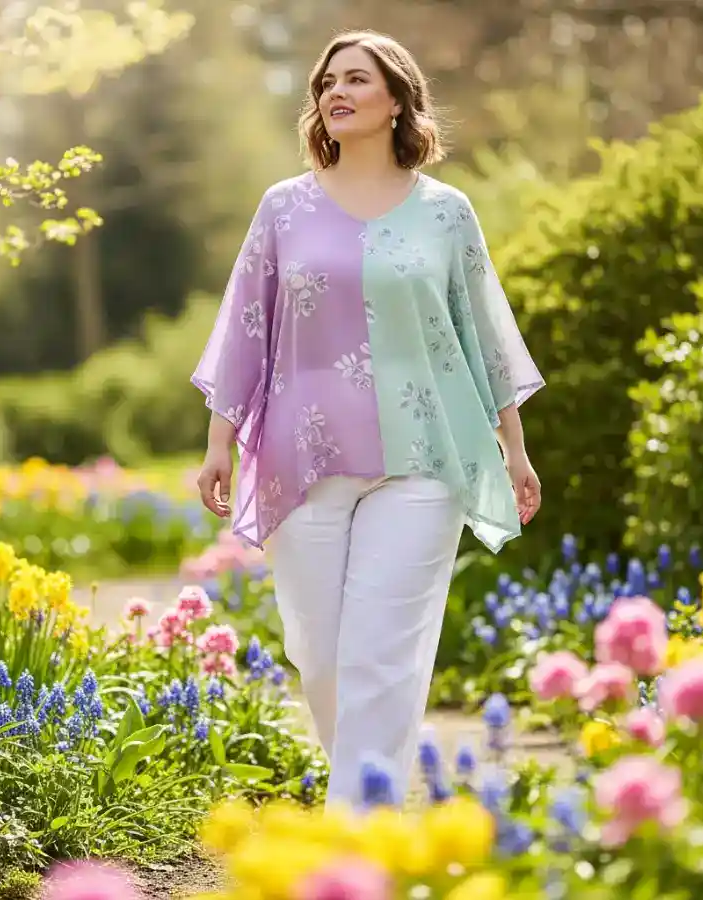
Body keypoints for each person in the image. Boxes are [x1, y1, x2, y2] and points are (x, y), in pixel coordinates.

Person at [193, 30, 544, 806]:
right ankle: (370, 794)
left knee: (380, 654)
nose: (335, 91)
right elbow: (246, 325)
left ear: (397, 100)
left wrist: (514, 450)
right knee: (318, 656)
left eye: (357, 78)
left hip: (425, 460)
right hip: (304, 455)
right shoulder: (284, 207)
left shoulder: (448, 215)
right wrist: (220, 442)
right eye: (326, 82)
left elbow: (482, 337)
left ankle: (358, 830)